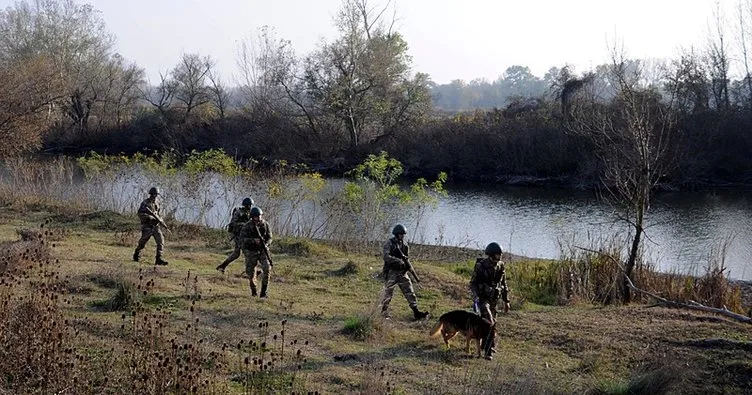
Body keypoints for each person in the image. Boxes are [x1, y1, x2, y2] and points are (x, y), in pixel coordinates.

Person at [470, 242, 510, 360]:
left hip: (494, 299)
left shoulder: (500, 266)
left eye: (500, 255)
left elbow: (504, 284)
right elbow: (473, 283)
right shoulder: (481, 266)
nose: (500, 257)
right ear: (492, 255)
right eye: (498, 255)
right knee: (489, 322)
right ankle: (488, 351)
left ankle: (488, 345)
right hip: (483, 298)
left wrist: (506, 301)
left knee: (493, 324)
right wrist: (476, 296)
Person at [380, 224, 429, 320]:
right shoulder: (389, 243)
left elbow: (407, 258)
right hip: (391, 272)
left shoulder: (405, 245)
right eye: (401, 234)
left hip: (402, 272)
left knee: (409, 291)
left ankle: (416, 312)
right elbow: (385, 256)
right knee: (388, 293)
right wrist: (397, 260)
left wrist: (409, 268)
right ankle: (384, 311)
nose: (402, 236)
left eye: (403, 234)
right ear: (396, 234)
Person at [239, 206, 273, 298]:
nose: (259, 218)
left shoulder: (265, 225)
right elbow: (242, 240)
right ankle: (254, 290)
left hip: (262, 250)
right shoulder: (247, 226)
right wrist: (253, 240)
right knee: (250, 272)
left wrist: (266, 244)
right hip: (251, 251)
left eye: (260, 216)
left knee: (267, 269)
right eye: (256, 217)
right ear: (252, 217)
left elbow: (270, 237)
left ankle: (264, 293)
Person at [216, 197, 255, 273]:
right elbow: (233, 224)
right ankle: (251, 271)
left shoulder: (249, 213)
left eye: (250, 205)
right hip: (237, 234)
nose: (249, 207)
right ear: (245, 205)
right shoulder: (238, 212)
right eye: (248, 205)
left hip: (244, 235)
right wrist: (244, 224)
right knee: (246, 252)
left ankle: (222, 266)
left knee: (237, 253)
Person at [133, 187, 168, 266]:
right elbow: (140, 213)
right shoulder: (145, 203)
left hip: (156, 226)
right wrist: (149, 217)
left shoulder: (157, 203)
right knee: (142, 242)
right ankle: (137, 254)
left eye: (155, 195)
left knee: (161, 241)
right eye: (153, 194)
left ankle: (158, 259)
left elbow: (158, 214)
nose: (154, 196)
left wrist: (161, 220)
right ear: (150, 194)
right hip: (147, 226)